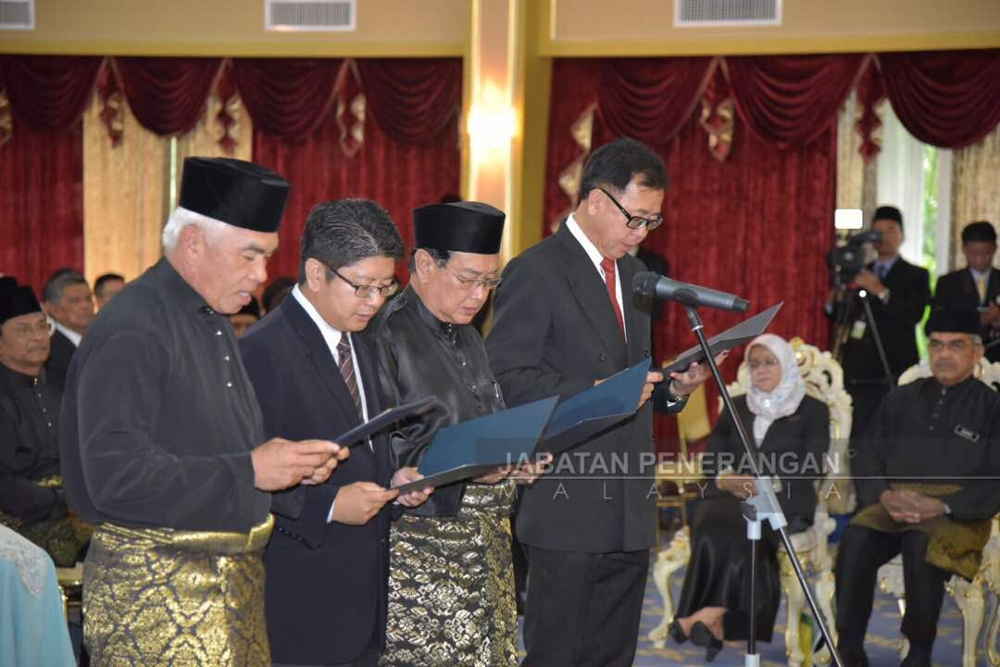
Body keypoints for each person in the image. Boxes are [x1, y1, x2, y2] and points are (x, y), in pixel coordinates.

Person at [59, 157, 349, 666]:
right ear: (193, 243)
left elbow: (216, 453)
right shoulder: (134, 327)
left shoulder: (211, 318)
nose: (262, 275)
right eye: (250, 256)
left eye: (267, 257)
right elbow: (113, 477)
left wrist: (287, 475)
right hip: (156, 603)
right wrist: (252, 470)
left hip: (227, 597)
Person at [485, 137, 716, 667]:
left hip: (630, 502)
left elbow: (633, 380)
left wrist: (674, 391)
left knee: (613, 656)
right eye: (634, 219)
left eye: (651, 222)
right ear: (594, 201)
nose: (641, 233)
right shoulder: (536, 270)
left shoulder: (636, 277)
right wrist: (589, 396)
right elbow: (505, 378)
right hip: (566, 500)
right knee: (559, 654)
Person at [240, 199, 432, 667]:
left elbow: (367, 444)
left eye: (385, 287)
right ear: (316, 272)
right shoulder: (260, 352)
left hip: (365, 595)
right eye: (363, 287)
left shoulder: (360, 342)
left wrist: (396, 482)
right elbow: (239, 474)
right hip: (300, 596)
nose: (375, 302)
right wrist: (327, 508)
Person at [373, 200, 543, 667]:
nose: (479, 295)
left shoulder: (466, 332)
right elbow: (384, 452)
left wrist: (514, 457)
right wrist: (474, 468)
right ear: (425, 264)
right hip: (423, 552)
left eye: (490, 282)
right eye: (468, 279)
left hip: (486, 546)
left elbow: (486, 420)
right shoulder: (385, 333)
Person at [835, 309, 1000, 667]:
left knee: (921, 541)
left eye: (955, 346)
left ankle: (919, 650)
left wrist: (942, 507)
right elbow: (867, 452)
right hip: (893, 503)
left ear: (976, 353)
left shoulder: (992, 406)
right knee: (856, 538)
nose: (943, 354)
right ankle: (848, 645)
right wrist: (884, 494)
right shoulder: (902, 397)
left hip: (957, 512)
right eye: (936, 344)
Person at [670, 334, 829, 659]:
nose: (761, 370)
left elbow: (813, 464)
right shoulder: (737, 404)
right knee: (710, 523)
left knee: (747, 529)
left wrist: (765, 481)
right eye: (754, 364)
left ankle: (704, 616)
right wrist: (727, 478)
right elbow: (713, 453)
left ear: (785, 365)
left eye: (769, 362)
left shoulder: (813, 409)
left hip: (785, 497)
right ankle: (714, 620)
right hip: (731, 495)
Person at [0, 285, 90, 566]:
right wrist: (61, 504)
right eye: (24, 330)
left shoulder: (56, 392)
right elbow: (4, 484)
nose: (38, 337)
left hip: (69, 510)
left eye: (42, 327)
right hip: (21, 522)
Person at [833, 205, 931, 440]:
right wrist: (834, 297)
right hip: (859, 366)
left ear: (902, 235)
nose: (883, 237)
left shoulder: (917, 274)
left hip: (895, 363)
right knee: (859, 432)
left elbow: (914, 314)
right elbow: (841, 316)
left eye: (890, 230)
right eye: (877, 231)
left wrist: (879, 290)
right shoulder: (857, 270)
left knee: (895, 432)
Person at [933, 221, 1000, 362]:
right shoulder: (948, 283)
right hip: (959, 361)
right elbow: (933, 325)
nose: (979, 259)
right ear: (963, 249)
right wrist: (979, 320)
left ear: (994, 249)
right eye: (973, 253)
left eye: (985, 253)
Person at [42, 269, 94, 392]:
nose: (85, 306)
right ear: (54, 309)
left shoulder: (97, 341)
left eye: (88, 299)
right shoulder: (50, 349)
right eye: (75, 301)